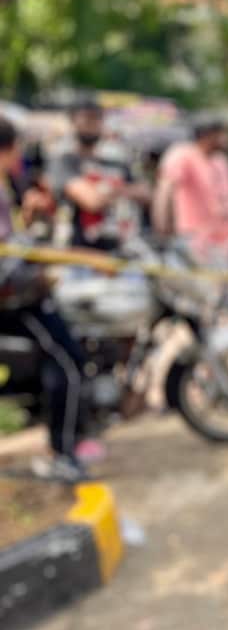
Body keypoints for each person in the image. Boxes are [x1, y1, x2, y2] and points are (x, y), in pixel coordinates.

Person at [0, 117, 93, 482]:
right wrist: (40, 273)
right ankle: (62, 454)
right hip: (15, 301)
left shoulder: (8, 188)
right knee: (68, 363)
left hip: (21, 294)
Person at [50, 98, 150, 251]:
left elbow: (146, 192)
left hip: (120, 249)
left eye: (98, 118)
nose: (94, 124)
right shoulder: (65, 161)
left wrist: (111, 190)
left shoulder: (116, 162)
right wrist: (122, 190)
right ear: (74, 121)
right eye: (88, 118)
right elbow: (91, 200)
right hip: (78, 252)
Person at [153, 116, 228, 266]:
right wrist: (163, 227)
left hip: (224, 242)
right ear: (209, 135)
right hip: (194, 240)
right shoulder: (182, 155)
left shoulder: (220, 160)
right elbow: (165, 190)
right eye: (223, 134)